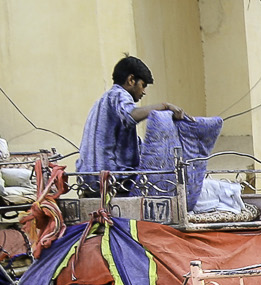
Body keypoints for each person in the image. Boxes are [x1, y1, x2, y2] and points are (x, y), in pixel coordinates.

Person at [77, 56, 189, 187]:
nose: (144, 92)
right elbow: (130, 115)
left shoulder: (101, 102)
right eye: (143, 85)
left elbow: (130, 142)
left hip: (88, 181)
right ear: (131, 80)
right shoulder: (119, 94)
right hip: (111, 180)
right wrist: (165, 106)